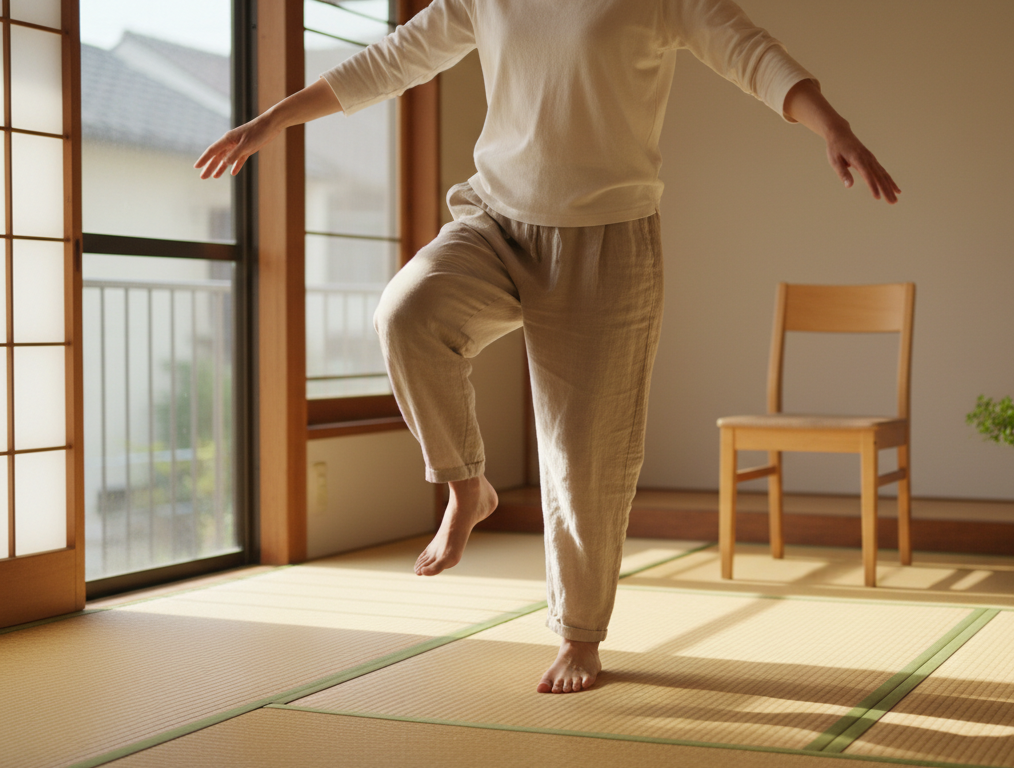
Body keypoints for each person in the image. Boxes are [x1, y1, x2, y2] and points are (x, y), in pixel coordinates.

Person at [195, 0, 898, 696]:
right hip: (496, 219)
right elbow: (393, 60)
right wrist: (273, 119)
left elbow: (750, 53)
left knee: (586, 457)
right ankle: (468, 486)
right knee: (407, 313)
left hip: (608, 239)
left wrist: (831, 127)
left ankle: (578, 635)